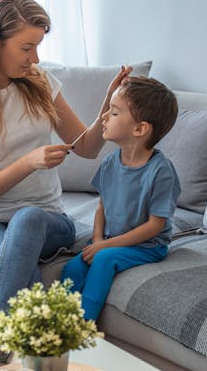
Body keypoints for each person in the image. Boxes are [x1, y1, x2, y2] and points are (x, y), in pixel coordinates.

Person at [0, 0, 129, 351]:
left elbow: (85, 148)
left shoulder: (40, 83)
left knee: (27, 220)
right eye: (26, 48)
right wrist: (27, 163)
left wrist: (109, 103)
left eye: (37, 46)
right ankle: (36, 351)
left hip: (47, 221)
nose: (35, 58)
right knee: (18, 269)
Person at [60, 76, 181, 321]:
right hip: (110, 240)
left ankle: (82, 327)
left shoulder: (161, 172)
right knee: (72, 267)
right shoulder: (110, 163)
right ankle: (57, 322)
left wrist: (105, 246)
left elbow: (155, 226)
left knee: (103, 259)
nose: (104, 116)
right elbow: (102, 207)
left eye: (114, 113)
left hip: (147, 247)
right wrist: (96, 239)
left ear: (139, 129)